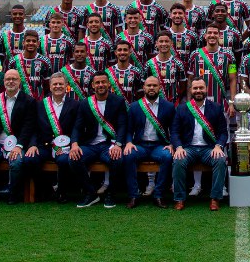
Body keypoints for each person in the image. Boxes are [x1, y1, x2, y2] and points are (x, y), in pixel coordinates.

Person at [0, 69, 38, 204]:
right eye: (8, 79)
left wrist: (19, 146)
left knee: (16, 163)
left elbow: (29, 127)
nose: (11, 81)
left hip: (18, 144)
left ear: (19, 81)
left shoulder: (29, 101)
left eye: (14, 79)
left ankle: (14, 194)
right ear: (3, 82)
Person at [69, 72, 127, 208]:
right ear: (93, 86)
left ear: (109, 84)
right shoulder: (85, 103)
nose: (101, 85)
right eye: (97, 83)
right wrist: (74, 144)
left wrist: (118, 145)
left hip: (109, 144)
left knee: (117, 159)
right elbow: (77, 127)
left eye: (103, 82)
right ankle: (91, 193)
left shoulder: (118, 101)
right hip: (90, 145)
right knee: (73, 159)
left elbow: (123, 125)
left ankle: (111, 194)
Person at [171, 77, 230, 211]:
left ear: (206, 89)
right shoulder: (182, 109)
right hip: (188, 148)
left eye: (201, 88)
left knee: (220, 160)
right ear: (191, 90)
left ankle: (215, 198)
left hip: (209, 148)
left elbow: (223, 132)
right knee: (178, 160)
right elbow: (174, 132)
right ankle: (179, 198)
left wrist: (218, 146)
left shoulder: (215, 107)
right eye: (195, 88)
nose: (198, 91)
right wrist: (179, 147)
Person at [124, 76, 176, 208]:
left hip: (159, 146)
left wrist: (171, 144)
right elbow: (128, 130)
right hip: (140, 145)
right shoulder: (135, 106)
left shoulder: (169, 106)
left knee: (167, 157)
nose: (151, 88)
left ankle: (158, 195)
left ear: (160, 87)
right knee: (129, 155)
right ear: (144, 88)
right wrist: (129, 142)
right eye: (148, 85)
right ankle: (133, 195)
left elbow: (174, 130)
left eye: (154, 85)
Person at [35, 72, 79, 202]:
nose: (58, 86)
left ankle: (62, 192)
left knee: (64, 160)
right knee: (31, 160)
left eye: (61, 84)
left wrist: (72, 145)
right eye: (55, 84)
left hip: (65, 147)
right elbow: (35, 127)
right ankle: (45, 189)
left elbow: (77, 127)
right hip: (46, 145)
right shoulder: (40, 105)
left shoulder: (75, 104)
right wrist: (33, 145)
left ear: (66, 86)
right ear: (50, 86)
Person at [185, 24, 234, 109]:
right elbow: (190, 79)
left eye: (215, 33)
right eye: (209, 33)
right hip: (198, 104)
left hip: (221, 104)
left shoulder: (229, 55)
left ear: (220, 36)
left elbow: (233, 79)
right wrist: (189, 101)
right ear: (205, 36)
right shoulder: (195, 54)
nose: (212, 35)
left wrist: (232, 103)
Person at [7, 30, 53, 99]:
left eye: (34, 41)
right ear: (23, 43)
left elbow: (47, 86)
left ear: (38, 43)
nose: (31, 43)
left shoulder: (45, 61)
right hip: (19, 102)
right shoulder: (14, 61)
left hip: (38, 102)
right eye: (28, 41)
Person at [147, 32, 187, 103]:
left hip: (174, 104)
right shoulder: (149, 64)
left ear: (171, 43)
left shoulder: (178, 64)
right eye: (161, 41)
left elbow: (182, 86)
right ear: (156, 44)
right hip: (155, 104)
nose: (164, 44)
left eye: (166, 41)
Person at [166, 3, 201, 68]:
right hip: (169, 72)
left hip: (187, 72)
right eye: (174, 13)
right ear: (170, 15)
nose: (177, 16)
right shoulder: (165, 36)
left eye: (180, 13)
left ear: (184, 15)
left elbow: (197, 57)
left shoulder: (193, 36)